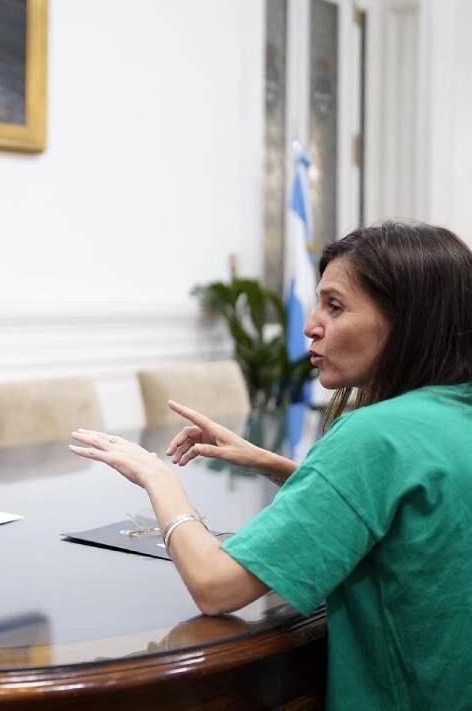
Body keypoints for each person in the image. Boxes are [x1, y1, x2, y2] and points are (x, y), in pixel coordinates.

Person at [70, 222, 472, 710]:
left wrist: (157, 477)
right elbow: (404, 511)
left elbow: (216, 588)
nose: (310, 325)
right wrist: (272, 464)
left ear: (408, 320)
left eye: (336, 306)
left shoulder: (374, 436)